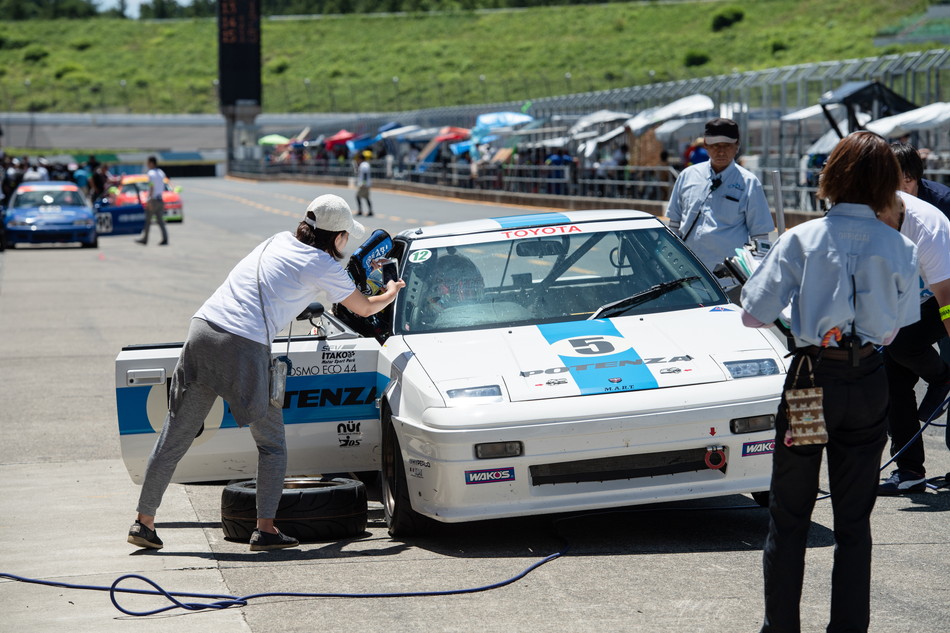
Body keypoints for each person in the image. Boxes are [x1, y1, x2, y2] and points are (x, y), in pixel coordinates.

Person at [128, 194, 406, 552]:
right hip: (243, 345)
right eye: (346, 236)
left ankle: (143, 521)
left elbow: (275, 285)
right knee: (272, 445)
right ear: (337, 237)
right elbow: (365, 308)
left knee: (175, 436)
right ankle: (265, 529)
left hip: (203, 330)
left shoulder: (277, 240)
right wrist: (390, 291)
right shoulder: (323, 264)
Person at [739, 131, 919, 633]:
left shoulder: (801, 238)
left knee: (790, 515)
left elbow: (753, 315)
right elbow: (898, 325)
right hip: (867, 381)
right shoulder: (900, 246)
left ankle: (781, 628)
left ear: (832, 174)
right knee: (854, 522)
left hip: (811, 380)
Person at [877, 187, 950, 494]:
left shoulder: (927, 229)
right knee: (891, 378)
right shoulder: (865, 215)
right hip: (915, 296)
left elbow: (947, 300)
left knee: (902, 343)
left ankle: (943, 377)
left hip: (944, 294)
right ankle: (910, 472)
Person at [666, 118, 774, 271]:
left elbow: (760, 235)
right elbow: (674, 224)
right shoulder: (687, 176)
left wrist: (757, 271)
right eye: (715, 145)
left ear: (737, 146)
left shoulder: (749, 182)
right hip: (688, 271)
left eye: (727, 145)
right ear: (706, 145)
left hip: (729, 276)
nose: (721, 151)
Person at [136, 156, 169, 246]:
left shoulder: (151, 173)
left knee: (148, 220)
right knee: (160, 221)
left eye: (148, 163)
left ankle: (145, 239)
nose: (147, 165)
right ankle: (165, 238)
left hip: (153, 200)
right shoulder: (161, 172)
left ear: (151, 163)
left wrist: (149, 200)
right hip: (160, 199)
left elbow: (151, 187)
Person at [355, 152, 373, 216]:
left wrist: (363, 183)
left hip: (364, 185)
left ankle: (360, 210)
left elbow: (365, 174)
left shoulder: (364, 165)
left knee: (358, 196)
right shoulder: (365, 164)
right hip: (366, 184)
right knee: (366, 197)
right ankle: (370, 211)